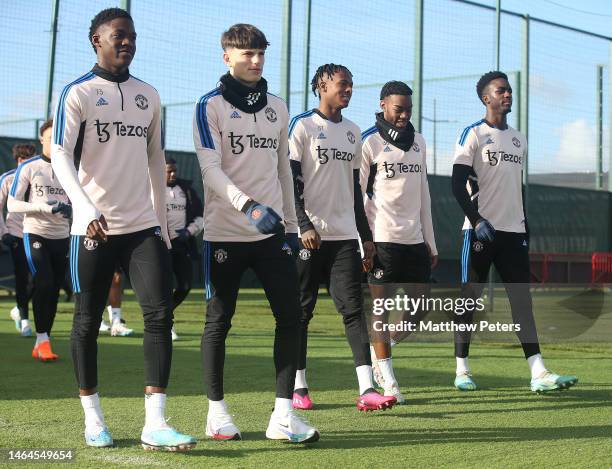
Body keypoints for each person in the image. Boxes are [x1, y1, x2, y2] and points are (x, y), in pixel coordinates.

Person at [50, 7, 195, 450]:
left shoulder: (148, 95)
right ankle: (93, 419)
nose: (127, 41)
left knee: (159, 314)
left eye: (132, 35)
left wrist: (162, 223)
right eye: (118, 35)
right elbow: (60, 154)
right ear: (97, 39)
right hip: (91, 229)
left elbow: (155, 160)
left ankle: (156, 422)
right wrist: (85, 207)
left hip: (142, 227)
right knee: (87, 322)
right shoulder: (78, 92)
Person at [193, 23, 319, 443]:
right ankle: (216, 412)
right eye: (246, 53)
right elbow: (210, 169)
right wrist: (247, 206)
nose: (255, 60)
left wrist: (290, 222)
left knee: (292, 318)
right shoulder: (208, 106)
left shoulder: (278, 108)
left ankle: (283, 417)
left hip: (271, 238)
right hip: (225, 233)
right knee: (219, 322)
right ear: (225, 55)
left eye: (260, 52)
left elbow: (283, 170)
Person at [451, 70, 577, 393]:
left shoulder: (519, 139)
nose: (508, 95)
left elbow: (517, 190)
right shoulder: (473, 134)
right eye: (501, 90)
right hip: (479, 233)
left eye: (509, 91)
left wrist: (525, 230)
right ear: (486, 98)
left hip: (513, 234)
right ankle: (461, 369)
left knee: (522, 303)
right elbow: (456, 185)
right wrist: (476, 220)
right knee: (470, 300)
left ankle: (538, 373)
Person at [289, 63, 396, 412]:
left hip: (345, 237)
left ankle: (367, 388)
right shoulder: (302, 126)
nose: (348, 89)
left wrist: (365, 237)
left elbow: (354, 191)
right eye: (342, 84)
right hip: (309, 237)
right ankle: (299, 386)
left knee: (353, 310)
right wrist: (303, 225)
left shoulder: (352, 132)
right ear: (322, 85)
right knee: (301, 312)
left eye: (351, 84)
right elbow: (289, 181)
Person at [360, 81, 438, 404]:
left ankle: (381, 349)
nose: (404, 115)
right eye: (398, 109)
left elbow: (424, 195)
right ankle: (388, 380)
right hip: (383, 241)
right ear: (383, 106)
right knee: (381, 310)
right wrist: (365, 242)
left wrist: (430, 242)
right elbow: (357, 196)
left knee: (420, 307)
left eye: (408, 109)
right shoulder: (369, 142)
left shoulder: (419, 142)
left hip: (415, 242)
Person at [8, 119, 71, 360]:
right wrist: (44, 208)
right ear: (41, 140)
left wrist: (71, 209)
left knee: (54, 288)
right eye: (50, 137)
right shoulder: (30, 167)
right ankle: (42, 339)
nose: (55, 141)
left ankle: (43, 339)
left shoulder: (71, 166)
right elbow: (12, 204)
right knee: (43, 282)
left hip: (62, 237)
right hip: (35, 233)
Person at [165, 157, 203, 340]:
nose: (172, 174)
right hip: (159, 245)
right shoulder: (151, 189)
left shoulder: (186, 191)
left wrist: (188, 232)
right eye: (168, 171)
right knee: (163, 286)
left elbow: (201, 217)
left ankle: (164, 313)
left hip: (181, 244)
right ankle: (166, 324)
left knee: (185, 285)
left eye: (174, 171)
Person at [1, 143, 35, 336]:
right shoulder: (7, 179)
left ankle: (18, 309)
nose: (26, 163)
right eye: (22, 159)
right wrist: (3, 232)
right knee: (23, 278)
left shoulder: (40, 176)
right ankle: (24, 319)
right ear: (17, 160)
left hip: (37, 232)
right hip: (15, 234)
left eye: (29, 159)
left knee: (39, 279)